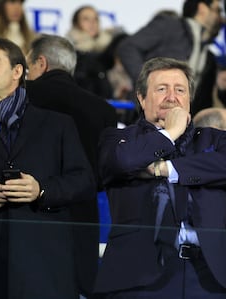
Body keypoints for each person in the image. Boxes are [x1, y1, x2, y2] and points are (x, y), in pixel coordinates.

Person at [0, 37, 96, 299]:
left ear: (17, 71)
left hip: (45, 266)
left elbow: (83, 181)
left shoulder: (58, 125)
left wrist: (41, 189)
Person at [93, 57, 226, 298]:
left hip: (208, 277)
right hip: (139, 277)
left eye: (180, 90)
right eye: (162, 89)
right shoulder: (117, 139)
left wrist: (166, 169)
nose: (172, 97)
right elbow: (123, 162)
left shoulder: (213, 140)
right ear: (141, 98)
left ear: (190, 99)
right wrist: (170, 132)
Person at [25, 33, 117, 298]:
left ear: (41, 63)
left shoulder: (20, 98)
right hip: (82, 221)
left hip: (28, 220)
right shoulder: (104, 111)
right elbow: (102, 176)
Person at [117, 0, 223, 116]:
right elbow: (128, 48)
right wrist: (147, 83)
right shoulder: (170, 26)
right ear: (202, 8)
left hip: (181, 124)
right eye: (218, 10)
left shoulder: (209, 56)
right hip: (146, 118)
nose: (221, 17)